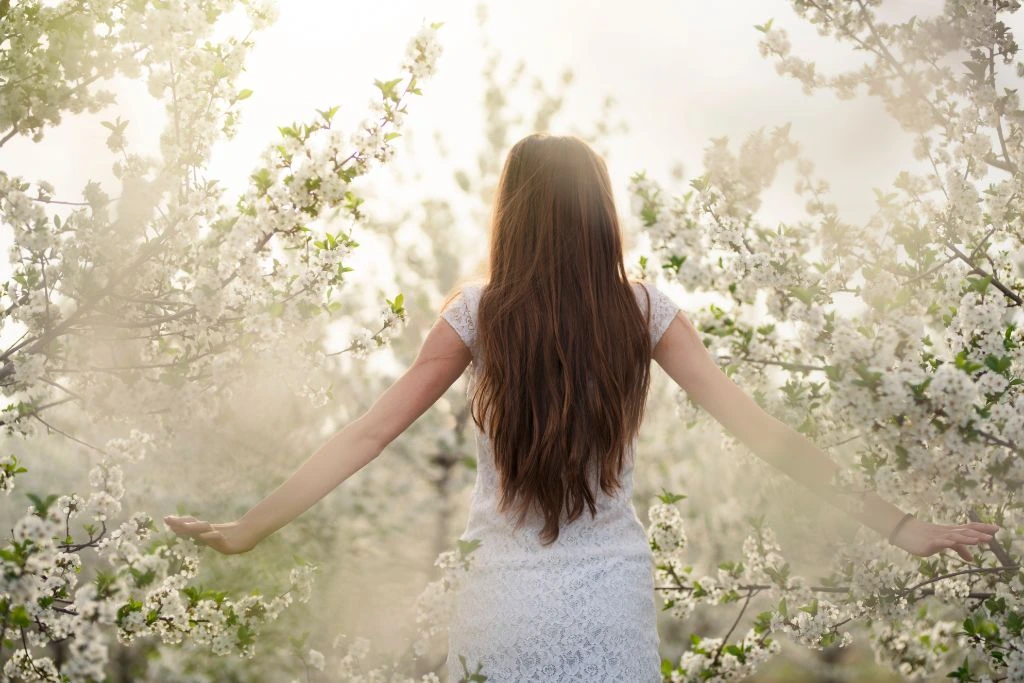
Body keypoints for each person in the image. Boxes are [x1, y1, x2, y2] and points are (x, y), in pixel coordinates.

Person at [164, 133, 1000, 682]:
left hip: (501, 603)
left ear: (514, 213)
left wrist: (253, 524)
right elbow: (763, 432)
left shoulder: (479, 313)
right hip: (610, 600)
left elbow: (368, 431)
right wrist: (897, 523)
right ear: (599, 212)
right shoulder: (643, 312)